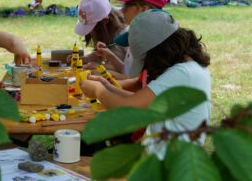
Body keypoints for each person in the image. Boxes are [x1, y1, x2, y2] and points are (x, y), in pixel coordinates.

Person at [81, 10, 211, 159]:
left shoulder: (182, 74)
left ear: (157, 52)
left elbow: (127, 108)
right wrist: (106, 85)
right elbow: (139, 101)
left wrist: (98, 91)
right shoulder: (189, 68)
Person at [96, 0, 167, 78]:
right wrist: (109, 56)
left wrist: (103, 74)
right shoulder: (136, 32)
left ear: (143, 10)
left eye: (127, 5)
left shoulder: (153, 43)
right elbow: (129, 71)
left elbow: (138, 83)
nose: (122, 10)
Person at [74, 0, 127, 71]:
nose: (92, 31)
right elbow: (105, 53)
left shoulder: (125, 35)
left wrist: (101, 67)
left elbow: (131, 72)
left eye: (93, 27)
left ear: (105, 21)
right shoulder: (108, 31)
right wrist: (86, 59)